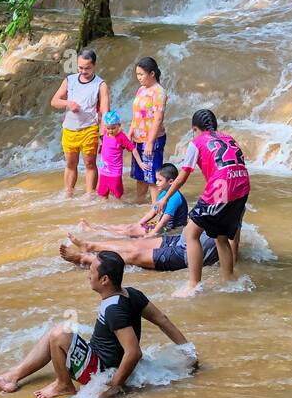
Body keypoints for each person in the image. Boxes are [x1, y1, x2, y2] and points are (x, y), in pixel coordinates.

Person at [0, 250, 192, 398]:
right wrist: (189, 352)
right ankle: (11, 377)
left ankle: (64, 385)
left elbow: (133, 352)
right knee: (57, 330)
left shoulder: (113, 309)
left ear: (105, 279)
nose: (89, 274)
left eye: (92, 270)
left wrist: (114, 387)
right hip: (101, 359)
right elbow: (163, 320)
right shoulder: (132, 293)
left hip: (102, 370)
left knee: (59, 334)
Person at [155, 108, 251, 296]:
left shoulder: (196, 142)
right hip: (243, 185)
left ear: (195, 128)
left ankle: (193, 285)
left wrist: (165, 198)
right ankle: (229, 279)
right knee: (221, 237)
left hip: (222, 187)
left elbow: (182, 177)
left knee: (191, 234)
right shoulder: (228, 138)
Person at [50, 50, 110, 199]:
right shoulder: (69, 80)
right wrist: (68, 103)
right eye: (80, 67)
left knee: (90, 164)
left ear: (94, 66)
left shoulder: (100, 85)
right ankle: (68, 193)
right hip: (69, 129)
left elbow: (105, 111)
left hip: (89, 128)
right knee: (70, 164)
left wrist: (103, 133)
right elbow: (54, 101)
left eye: (87, 68)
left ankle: (90, 195)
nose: (83, 71)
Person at [76, 163, 189, 239]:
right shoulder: (164, 193)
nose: (157, 183)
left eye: (160, 180)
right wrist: (139, 223)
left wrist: (152, 234)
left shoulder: (175, 197)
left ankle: (93, 231)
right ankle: (95, 227)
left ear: (171, 182)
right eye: (156, 180)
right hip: (163, 226)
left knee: (130, 231)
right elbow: (152, 212)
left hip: (171, 231)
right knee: (129, 226)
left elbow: (164, 221)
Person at [60, 229, 220, 274]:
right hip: (183, 238)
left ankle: (86, 259)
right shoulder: (217, 196)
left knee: (135, 256)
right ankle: (89, 246)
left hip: (189, 253)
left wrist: (228, 272)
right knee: (137, 244)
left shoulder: (232, 207)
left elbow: (231, 243)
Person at [129, 57, 168, 203]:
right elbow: (136, 114)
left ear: (152, 74)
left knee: (152, 177)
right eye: (137, 74)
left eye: (141, 74)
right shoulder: (141, 90)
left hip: (153, 139)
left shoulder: (159, 92)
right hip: (138, 139)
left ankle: (155, 208)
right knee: (140, 176)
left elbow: (158, 119)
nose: (139, 78)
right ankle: (138, 205)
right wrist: (130, 133)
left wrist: (150, 142)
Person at [96, 110, 136, 200]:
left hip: (115, 171)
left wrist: (140, 163)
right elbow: (103, 140)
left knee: (118, 196)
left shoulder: (121, 137)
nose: (111, 131)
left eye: (113, 128)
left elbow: (132, 148)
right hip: (103, 170)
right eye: (108, 128)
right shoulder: (106, 132)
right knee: (103, 195)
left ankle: (119, 210)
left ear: (119, 125)